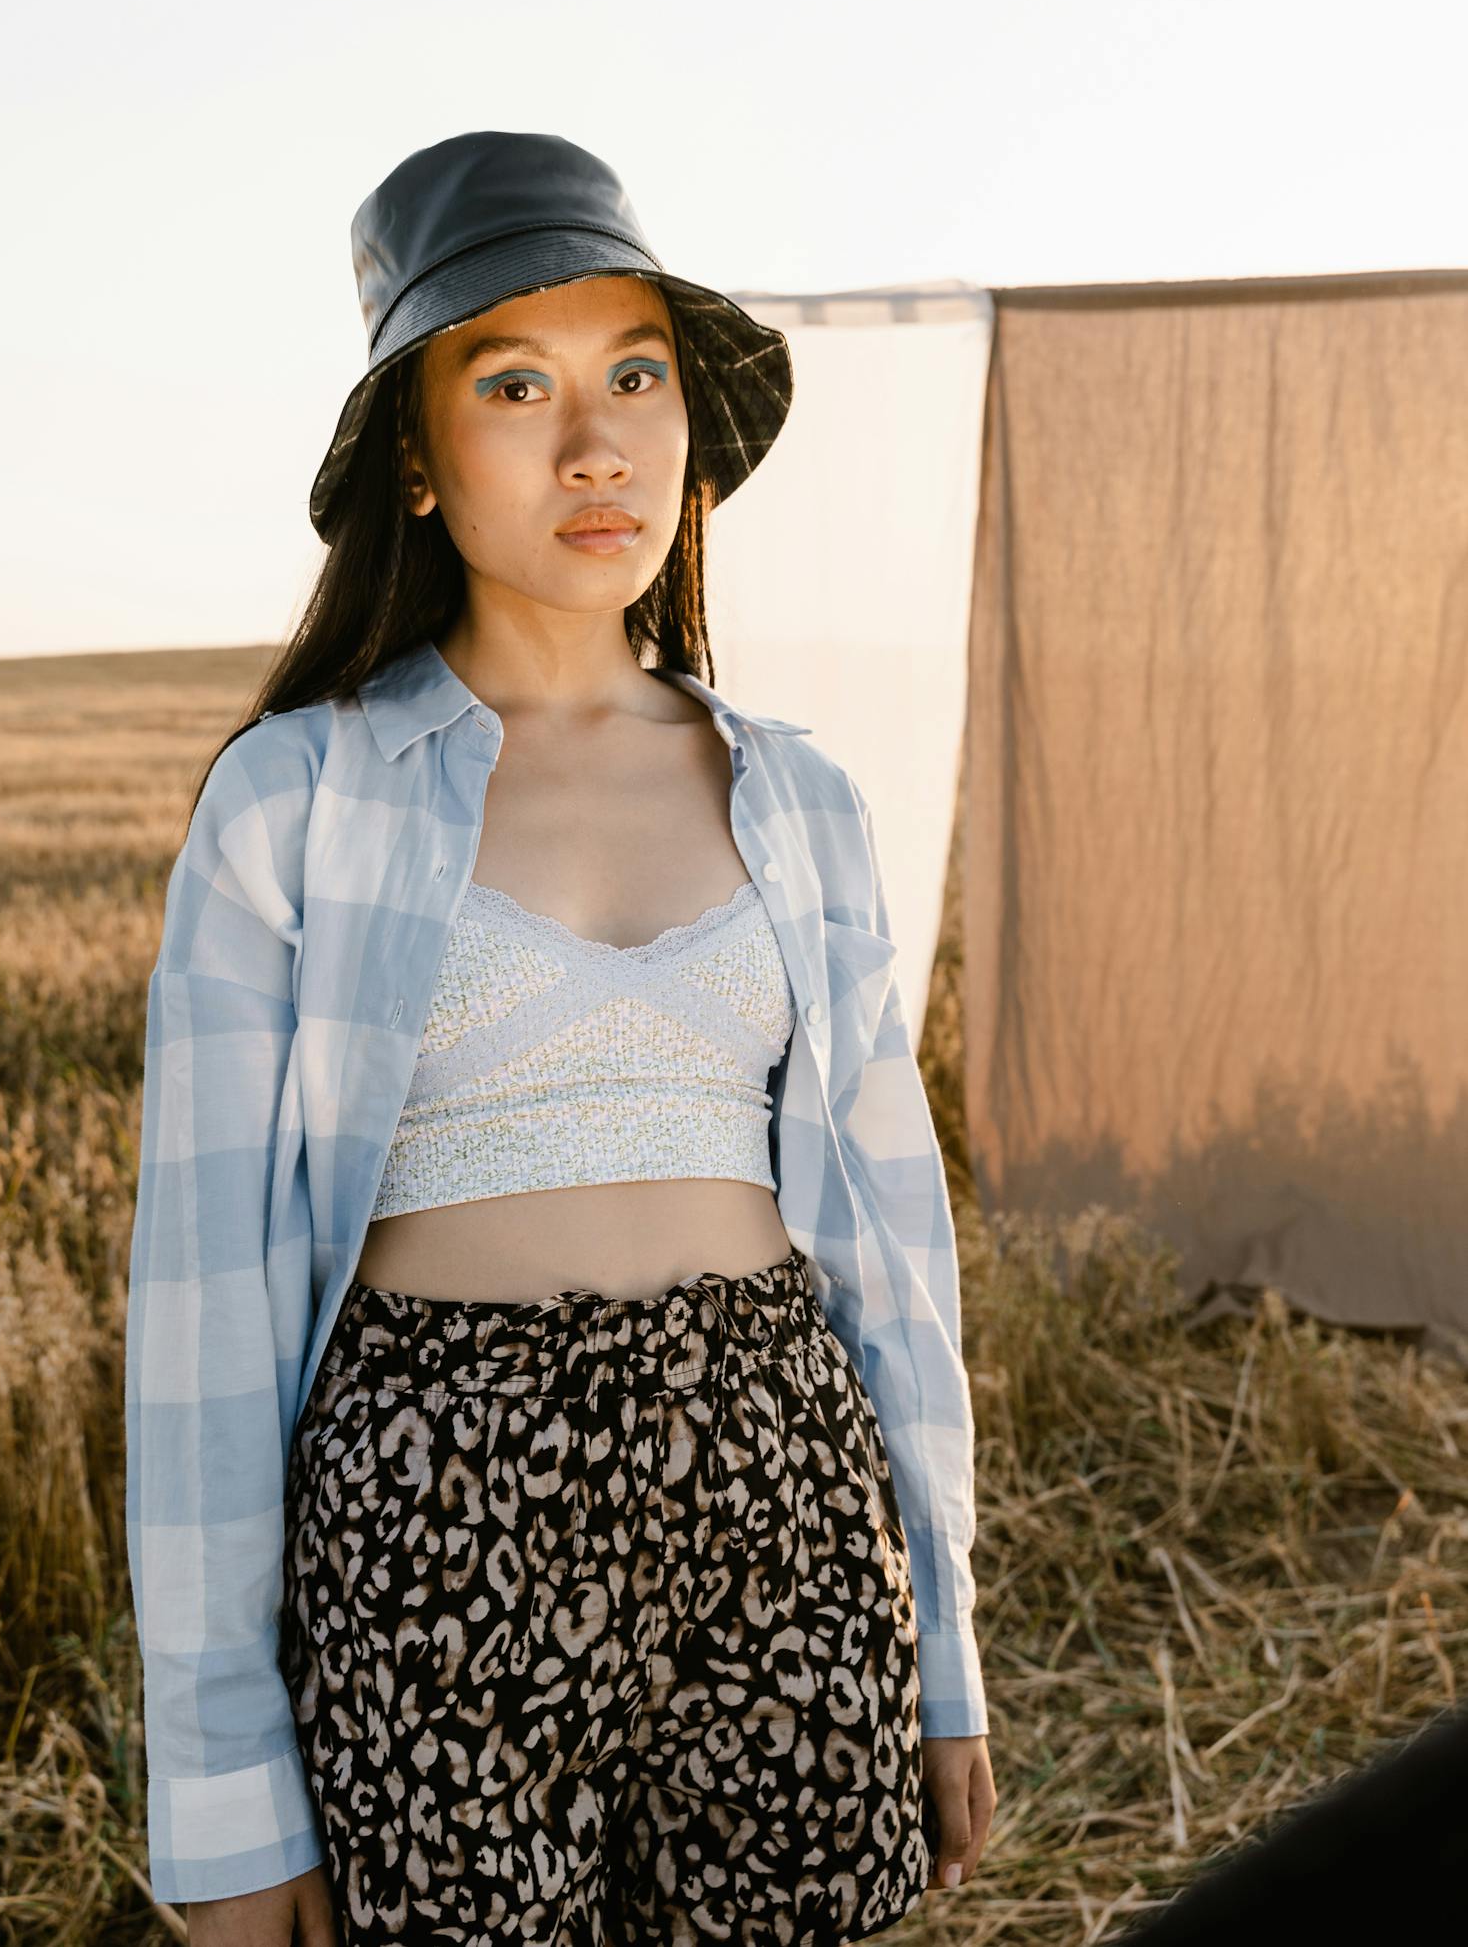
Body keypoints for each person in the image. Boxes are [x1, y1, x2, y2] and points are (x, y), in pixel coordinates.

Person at [124, 129, 995, 1944]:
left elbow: (897, 1257)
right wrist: (223, 1795)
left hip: (784, 1489)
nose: (595, 441)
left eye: (635, 374)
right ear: (419, 461)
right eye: (512, 381)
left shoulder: (801, 796)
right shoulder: (298, 804)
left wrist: (945, 1649)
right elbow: (203, 1318)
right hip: (435, 1520)